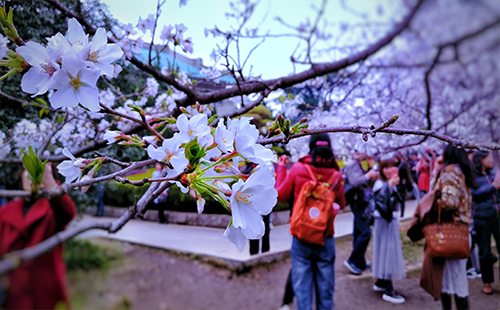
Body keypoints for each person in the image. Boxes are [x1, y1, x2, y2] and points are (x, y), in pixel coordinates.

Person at [276, 134, 345, 310]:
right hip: (325, 236)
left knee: (302, 290)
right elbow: (342, 204)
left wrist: (281, 168)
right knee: (325, 289)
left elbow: (281, 195)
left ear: (310, 147)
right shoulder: (336, 175)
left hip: (301, 236)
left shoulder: (298, 169)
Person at [0, 164, 76, 310]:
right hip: (15, 291)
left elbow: (67, 214)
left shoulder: (52, 208)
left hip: (45, 288)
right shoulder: (6, 212)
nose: (31, 175)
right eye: (26, 170)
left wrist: (51, 184)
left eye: (37, 171)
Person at [420, 144, 476, 310]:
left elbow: (449, 201)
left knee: (451, 281)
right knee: (455, 280)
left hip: (450, 232)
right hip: (461, 231)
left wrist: (432, 204)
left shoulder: (450, 171)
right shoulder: (461, 170)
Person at [371, 156, 406, 304]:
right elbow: (380, 200)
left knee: (386, 250)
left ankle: (381, 281)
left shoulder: (390, 182)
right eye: (385, 167)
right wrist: (389, 186)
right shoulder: (380, 184)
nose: (388, 170)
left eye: (391, 166)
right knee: (387, 251)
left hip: (388, 222)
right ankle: (388, 289)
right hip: (383, 222)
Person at [343, 151, 379, 275]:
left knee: (358, 231)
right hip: (357, 201)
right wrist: (368, 175)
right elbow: (354, 181)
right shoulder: (352, 164)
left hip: (359, 201)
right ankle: (352, 260)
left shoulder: (358, 164)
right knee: (365, 232)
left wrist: (368, 170)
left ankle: (360, 261)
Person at [471, 151, 500, 295]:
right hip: (482, 218)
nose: (491, 160)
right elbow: (475, 195)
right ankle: (487, 282)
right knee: (485, 251)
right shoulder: (473, 177)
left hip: (498, 217)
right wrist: (493, 186)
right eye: (488, 157)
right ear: (481, 160)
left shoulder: (493, 174)